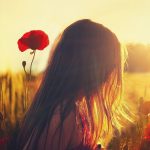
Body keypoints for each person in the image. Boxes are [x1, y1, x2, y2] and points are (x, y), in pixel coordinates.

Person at [16, 19, 127, 150]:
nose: (111, 74)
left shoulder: (69, 111)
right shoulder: (64, 118)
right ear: (94, 68)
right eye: (110, 65)